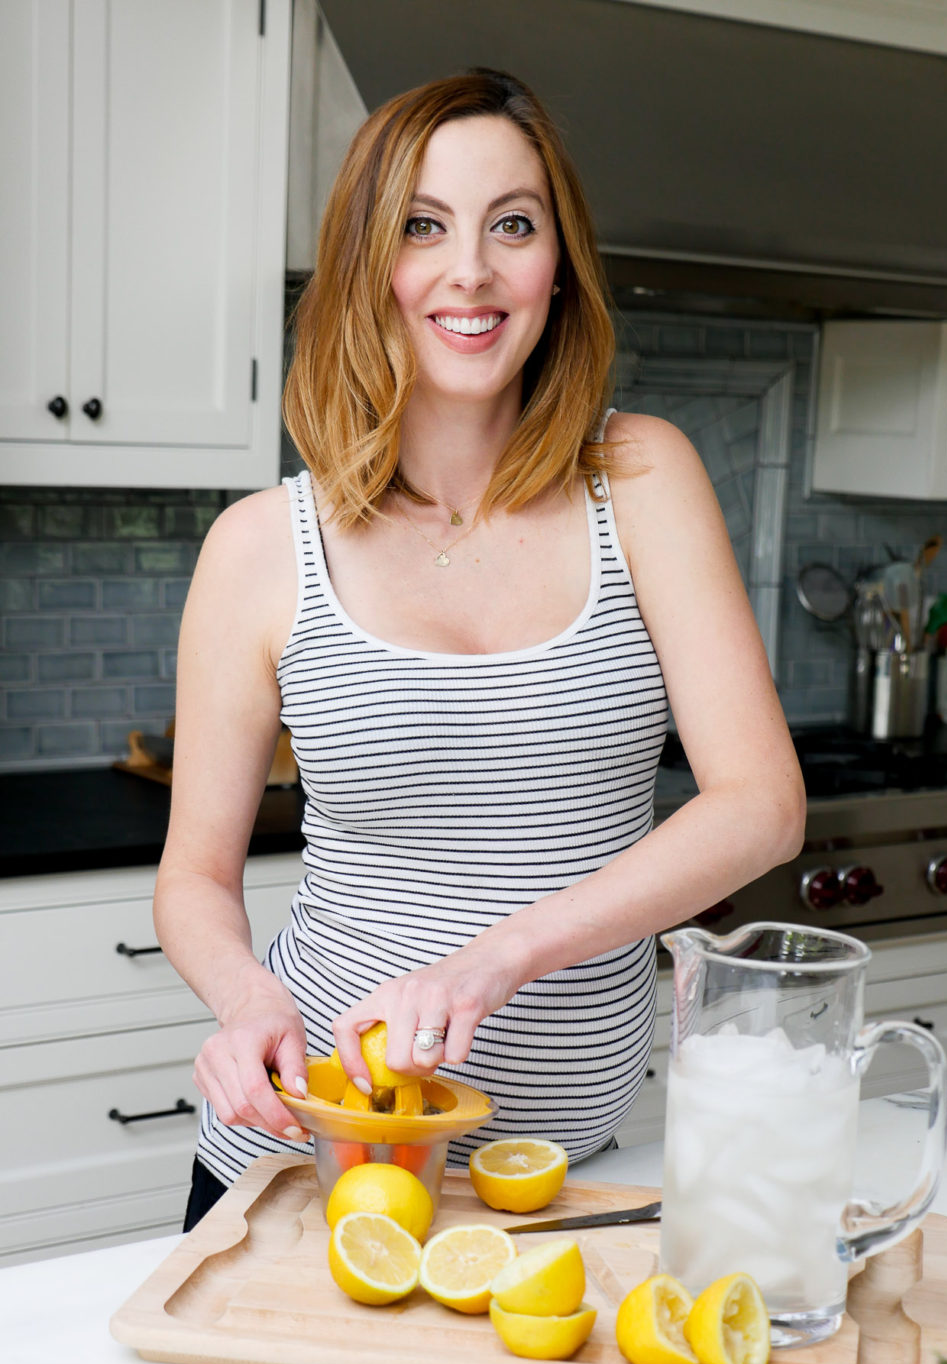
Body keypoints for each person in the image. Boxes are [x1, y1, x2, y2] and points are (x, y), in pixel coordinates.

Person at [153, 68, 806, 1227]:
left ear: (557, 268)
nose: (470, 269)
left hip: (563, 1169)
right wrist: (244, 994)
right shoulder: (260, 546)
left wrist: (495, 958)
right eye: (422, 226)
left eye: (512, 223)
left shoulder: (640, 479)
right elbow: (194, 878)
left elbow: (758, 803)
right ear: (370, 266)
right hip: (322, 1148)